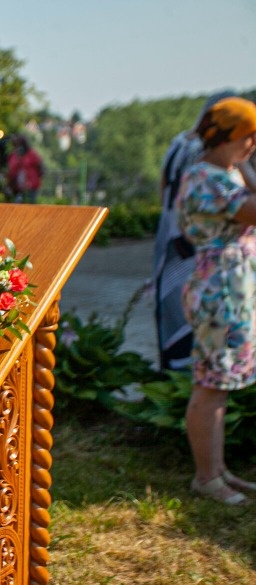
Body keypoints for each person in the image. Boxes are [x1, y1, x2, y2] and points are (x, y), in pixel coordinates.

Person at [177, 97, 256, 505]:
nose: (253, 144)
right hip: (219, 292)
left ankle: (218, 470)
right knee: (211, 384)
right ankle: (206, 478)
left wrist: (242, 166)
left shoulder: (222, 174)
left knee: (218, 384)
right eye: (249, 136)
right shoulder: (207, 178)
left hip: (227, 291)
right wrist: (244, 169)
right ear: (228, 135)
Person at [153, 91, 236, 371]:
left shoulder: (179, 142)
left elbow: (164, 185)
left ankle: (171, 370)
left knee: (171, 304)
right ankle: (190, 375)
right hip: (199, 241)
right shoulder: (210, 151)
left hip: (170, 232)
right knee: (199, 310)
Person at [6, 135, 44, 203]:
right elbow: (11, 170)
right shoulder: (14, 155)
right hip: (17, 187)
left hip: (31, 186)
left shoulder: (31, 154)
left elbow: (40, 166)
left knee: (30, 203)